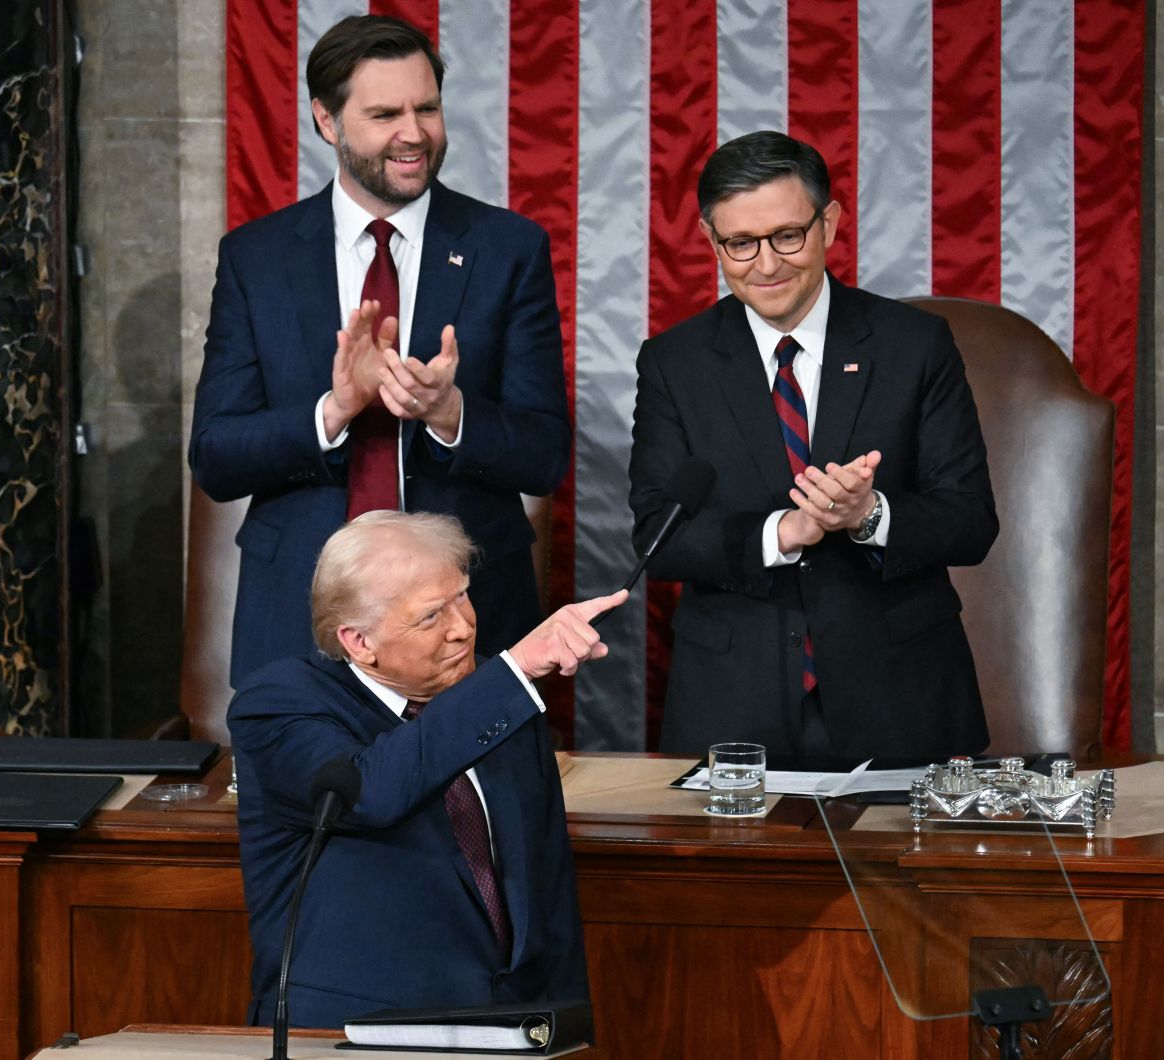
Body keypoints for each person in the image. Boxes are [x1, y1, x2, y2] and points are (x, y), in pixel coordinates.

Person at [190, 15, 569, 687]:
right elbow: (216, 458)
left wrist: (450, 413)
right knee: (307, 794)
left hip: (467, 610)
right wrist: (332, 411)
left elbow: (543, 455)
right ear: (327, 121)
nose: (414, 134)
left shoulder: (506, 249)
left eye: (427, 108)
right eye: (385, 113)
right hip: (299, 613)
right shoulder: (257, 257)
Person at [628, 131, 997, 768]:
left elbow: (970, 522)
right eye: (739, 243)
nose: (765, 264)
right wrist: (784, 530)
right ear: (710, 240)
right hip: (732, 706)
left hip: (900, 699)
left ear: (829, 221)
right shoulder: (674, 363)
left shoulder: (914, 346)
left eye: (787, 236)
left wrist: (869, 515)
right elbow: (658, 537)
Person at [229, 511, 622, 1028]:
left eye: (461, 595)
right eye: (431, 616)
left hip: (511, 1025)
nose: (462, 628)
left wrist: (568, 1022)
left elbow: (545, 879)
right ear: (358, 642)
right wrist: (515, 672)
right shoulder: (280, 703)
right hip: (354, 1029)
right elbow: (369, 790)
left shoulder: (495, 698)